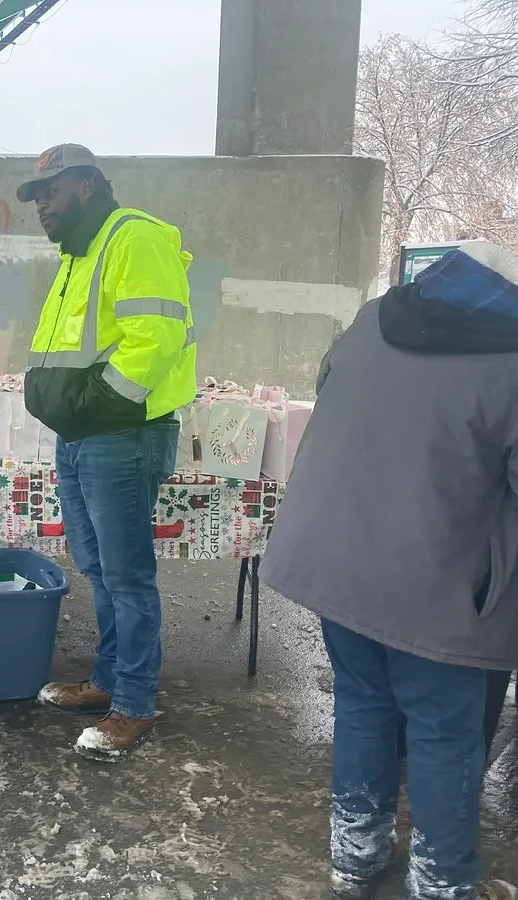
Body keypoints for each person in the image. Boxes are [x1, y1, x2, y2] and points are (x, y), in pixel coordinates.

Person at [261, 242, 518, 899]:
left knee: (365, 705)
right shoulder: (510, 362)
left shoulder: (375, 319)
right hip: (437, 586)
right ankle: (442, 883)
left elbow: (337, 401)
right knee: (443, 736)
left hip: (337, 563)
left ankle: (356, 855)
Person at [16, 144, 197, 762]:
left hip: (121, 435)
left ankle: (135, 704)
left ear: (88, 185)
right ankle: (109, 680)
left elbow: (157, 337)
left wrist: (93, 405)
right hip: (83, 436)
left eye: (52, 191)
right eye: (36, 196)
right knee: (95, 565)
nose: (42, 205)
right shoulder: (80, 252)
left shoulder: (133, 237)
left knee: (126, 575)